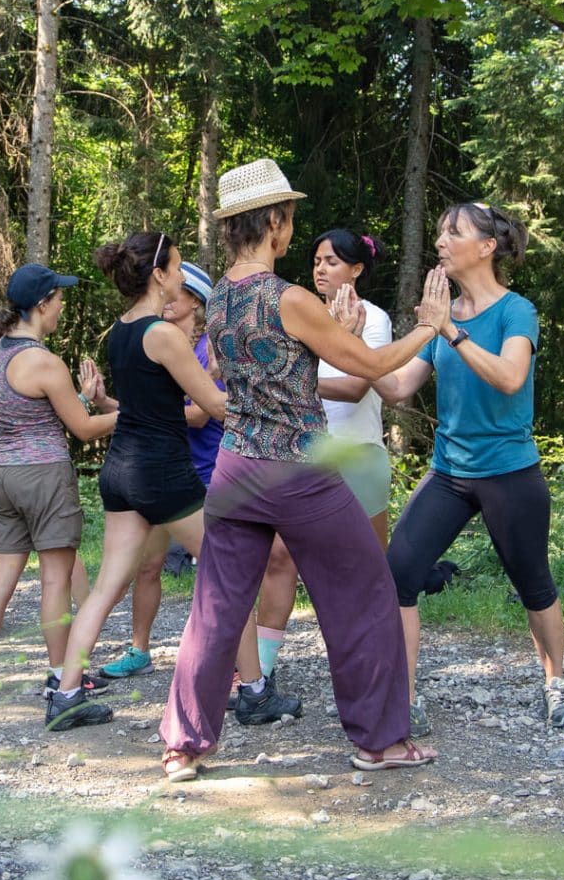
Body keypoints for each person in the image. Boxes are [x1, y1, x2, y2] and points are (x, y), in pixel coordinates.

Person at [159, 159, 447, 781]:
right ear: (275, 222)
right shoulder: (287, 298)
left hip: (237, 468)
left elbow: (275, 370)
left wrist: (332, 331)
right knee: (367, 593)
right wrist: (429, 326)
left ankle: (183, 745)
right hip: (296, 469)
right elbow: (372, 368)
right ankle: (379, 740)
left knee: (215, 605)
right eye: (288, 218)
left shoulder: (221, 302)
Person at [46, 237, 295, 730]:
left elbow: (162, 397)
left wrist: (219, 370)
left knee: (107, 586)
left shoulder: (120, 330)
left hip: (121, 471)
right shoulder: (163, 334)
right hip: (162, 474)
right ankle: (254, 691)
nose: (182, 275)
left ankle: (65, 693)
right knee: (232, 574)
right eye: (178, 266)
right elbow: (215, 406)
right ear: (158, 275)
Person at [383, 201, 564, 734]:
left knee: (533, 583)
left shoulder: (517, 312)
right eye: (440, 233)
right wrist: (353, 345)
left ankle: (555, 685)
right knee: (398, 571)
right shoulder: (440, 317)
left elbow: (511, 377)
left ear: (487, 247)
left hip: (510, 472)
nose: (441, 241)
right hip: (449, 472)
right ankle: (402, 698)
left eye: (454, 233)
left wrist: (449, 330)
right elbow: (399, 388)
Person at [0, 263, 119, 713]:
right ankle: (60, 678)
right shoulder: (44, 362)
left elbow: (32, 412)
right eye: (59, 298)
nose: (63, 305)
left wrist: (82, 398)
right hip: (45, 474)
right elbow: (83, 428)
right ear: (43, 305)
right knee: (55, 578)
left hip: (5, 474)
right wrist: (133, 415)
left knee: (2, 573)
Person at [253, 229, 404, 680]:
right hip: (306, 456)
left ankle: (382, 670)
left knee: (369, 571)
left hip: (357, 456)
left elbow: (358, 387)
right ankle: (260, 674)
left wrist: (287, 382)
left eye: (333, 261)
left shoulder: (372, 319)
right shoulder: (305, 317)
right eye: (317, 260)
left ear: (357, 269)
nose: (321, 268)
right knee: (280, 557)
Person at [91, 261, 216, 679]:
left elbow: (198, 415)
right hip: (161, 475)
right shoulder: (152, 338)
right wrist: (107, 404)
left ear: (193, 303)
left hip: (203, 472)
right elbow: (144, 411)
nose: (167, 297)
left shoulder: (202, 349)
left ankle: (227, 663)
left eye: (178, 292)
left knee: (217, 570)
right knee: (147, 566)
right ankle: (139, 650)